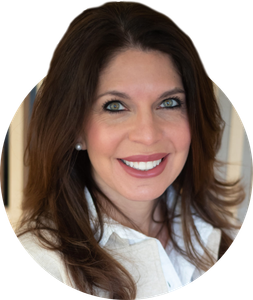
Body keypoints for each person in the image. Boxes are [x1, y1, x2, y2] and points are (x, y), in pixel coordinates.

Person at [16, 2, 245, 299]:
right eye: (115, 106)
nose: (148, 135)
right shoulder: (43, 262)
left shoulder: (219, 232)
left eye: (170, 103)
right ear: (75, 129)